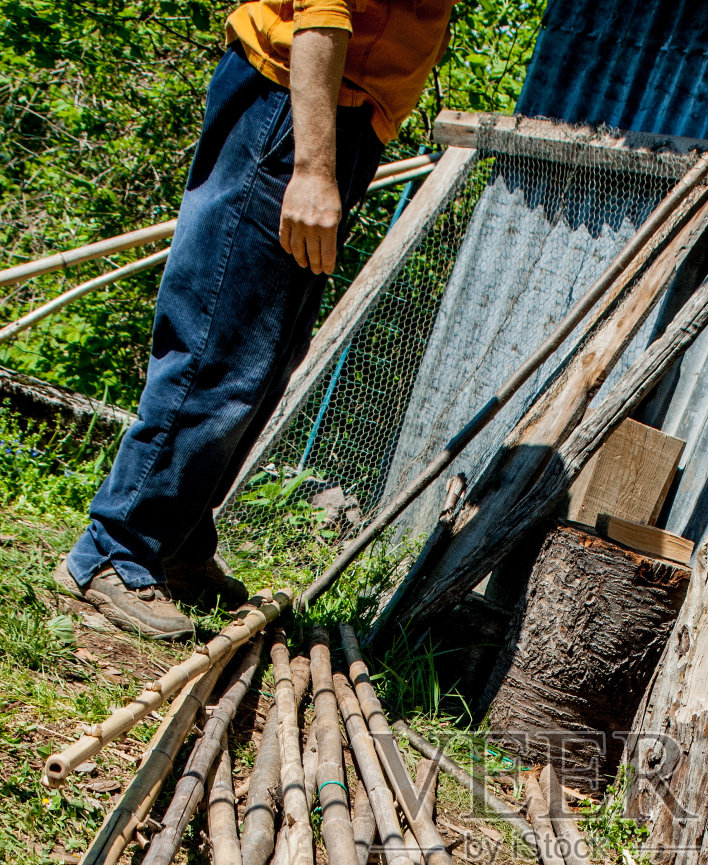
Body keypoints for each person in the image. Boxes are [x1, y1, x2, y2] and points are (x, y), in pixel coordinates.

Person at [55, 0, 454, 640]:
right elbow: (323, 11)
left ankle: (175, 541)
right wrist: (313, 167)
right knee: (220, 342)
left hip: (335, 113)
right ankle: (113, 549)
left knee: (263, 358)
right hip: (295, 107)